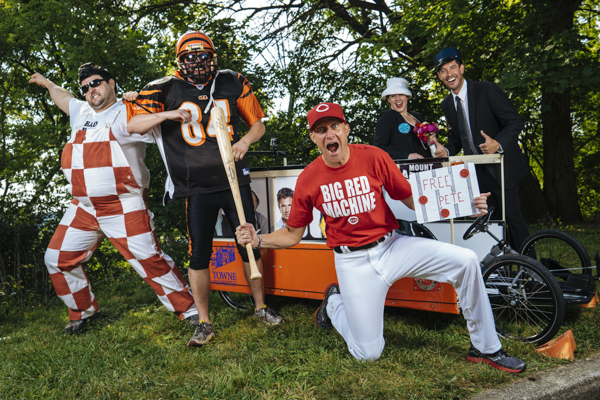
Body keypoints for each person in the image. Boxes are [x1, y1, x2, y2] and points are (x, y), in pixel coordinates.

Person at [236, 102, 527, 373]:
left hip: (392, 245)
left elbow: (414, 200)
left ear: (346, 129)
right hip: (353, 262)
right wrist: (258, 239)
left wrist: (466, 203)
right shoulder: (309, 179)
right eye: (321, 130)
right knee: (368, 354)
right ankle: (335, 304)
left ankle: (486, 348)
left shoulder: (374, 157)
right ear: (313, 137)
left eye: (334, 126)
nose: (329, 134)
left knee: (466, 260)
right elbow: (292, 234)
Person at [125, 31, 284, 347]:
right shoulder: (164, 88)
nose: (197, 62)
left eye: (203, 55)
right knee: (199, 251)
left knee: (248, 243)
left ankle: (260, 307)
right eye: (190, 56)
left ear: (213, 56)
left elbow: (258, 123)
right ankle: (204, 322)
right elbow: (133, 126)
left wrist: (245, 140)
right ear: (179, 60)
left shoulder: (231, 80)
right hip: (194, 185)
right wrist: (167, 114)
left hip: (233, 179)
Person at [29, 63, 198, 335]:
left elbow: (160, 120)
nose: (90, 90)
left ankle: (189, 310)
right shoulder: (81, 111)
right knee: (56, 258)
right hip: (83, 207)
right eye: (85, 87)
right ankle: (83, 312)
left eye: (95, 83)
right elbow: (63, 97)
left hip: (123, 205)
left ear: (111, 83)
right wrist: (47, 83)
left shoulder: (128, 111)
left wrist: (166, 113)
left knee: (149, 259)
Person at [433, 47, 530, 250]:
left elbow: (514, 121)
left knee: (512, 219)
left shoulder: (487, 90)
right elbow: (456, 138)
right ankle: (505, 270)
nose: (449, 74)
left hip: (503, 167)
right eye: (443, 70)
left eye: (453, 68)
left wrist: (498, 143)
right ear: (439, 76)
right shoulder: (447, 104)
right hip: (477, 173)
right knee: (491, 223)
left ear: (462, 68)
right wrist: (446, 151)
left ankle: (532, 273)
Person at [373, 78, 444, 160]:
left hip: (427, 166)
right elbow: (378, 147)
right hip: (402, 169)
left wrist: (432, 143)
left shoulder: (418, 117)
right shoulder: (387, 116)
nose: (397, 98)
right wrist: (406, 156)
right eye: (393, 96)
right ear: (388, 100)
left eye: (401, 94)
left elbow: (426, 146)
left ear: (407, 97)